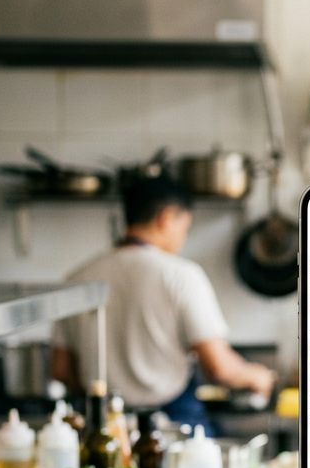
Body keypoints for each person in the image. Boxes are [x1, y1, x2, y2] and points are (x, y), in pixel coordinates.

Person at [52, 174, 275, 433]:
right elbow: (219, 368)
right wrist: (256, 376)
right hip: (171, 421)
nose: (182, 239)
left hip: (100, 425)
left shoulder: (78, 278)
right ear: (167, 218)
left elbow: (60, 369)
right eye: (185, 228)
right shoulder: (181, 275)